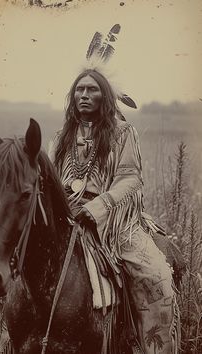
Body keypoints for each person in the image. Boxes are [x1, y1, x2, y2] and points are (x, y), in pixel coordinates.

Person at [48, 68, 181, 354]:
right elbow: (49, 183)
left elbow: (130, 177)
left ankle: (154, 348)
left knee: (154, 275)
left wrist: (98, 207)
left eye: (92, 89)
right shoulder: (60, 138)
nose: (84, 94)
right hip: (66, 214)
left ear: (105, 96)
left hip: (113, 221)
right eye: (79, 89)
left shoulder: (122, 133)